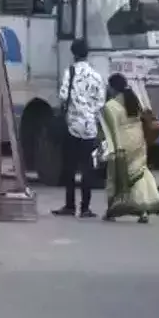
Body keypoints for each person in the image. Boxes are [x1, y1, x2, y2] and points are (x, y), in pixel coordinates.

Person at [99, 73, 159, 223]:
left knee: (116, 176)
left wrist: (114, 149)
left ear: (112, 88)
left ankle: (112, 210)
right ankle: (144, 211)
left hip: (123, 142)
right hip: (139, 140)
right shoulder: (134, 100)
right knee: (139, 173)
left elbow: (112, 130)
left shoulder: (110, 106)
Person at [52, 38, 106, 218]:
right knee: (87, 168)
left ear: (74, 53)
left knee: (69, 167)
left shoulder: (71, 72)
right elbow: (100, 102)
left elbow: (62, 95)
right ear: (87, 53)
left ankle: (69, 205)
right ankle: (85, 208)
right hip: (90, 127)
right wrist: (90, 113)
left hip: (72, 126)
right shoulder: (97, 76)